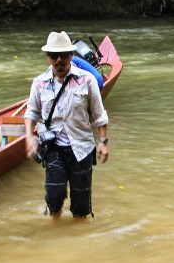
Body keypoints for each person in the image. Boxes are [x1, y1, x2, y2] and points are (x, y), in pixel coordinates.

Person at [24, 31, 110, 218]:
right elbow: (31, 112)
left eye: (63, 55)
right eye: (54, 55)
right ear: (48, 57)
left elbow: (99, 113)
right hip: (54, 148)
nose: (59, 60)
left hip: (82, 148)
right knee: (54, 198)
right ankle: (54, 231)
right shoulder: (39, 84)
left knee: (81, 205)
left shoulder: (87, 80)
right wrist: (29, 138)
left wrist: (103, 141)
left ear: (71, 55)